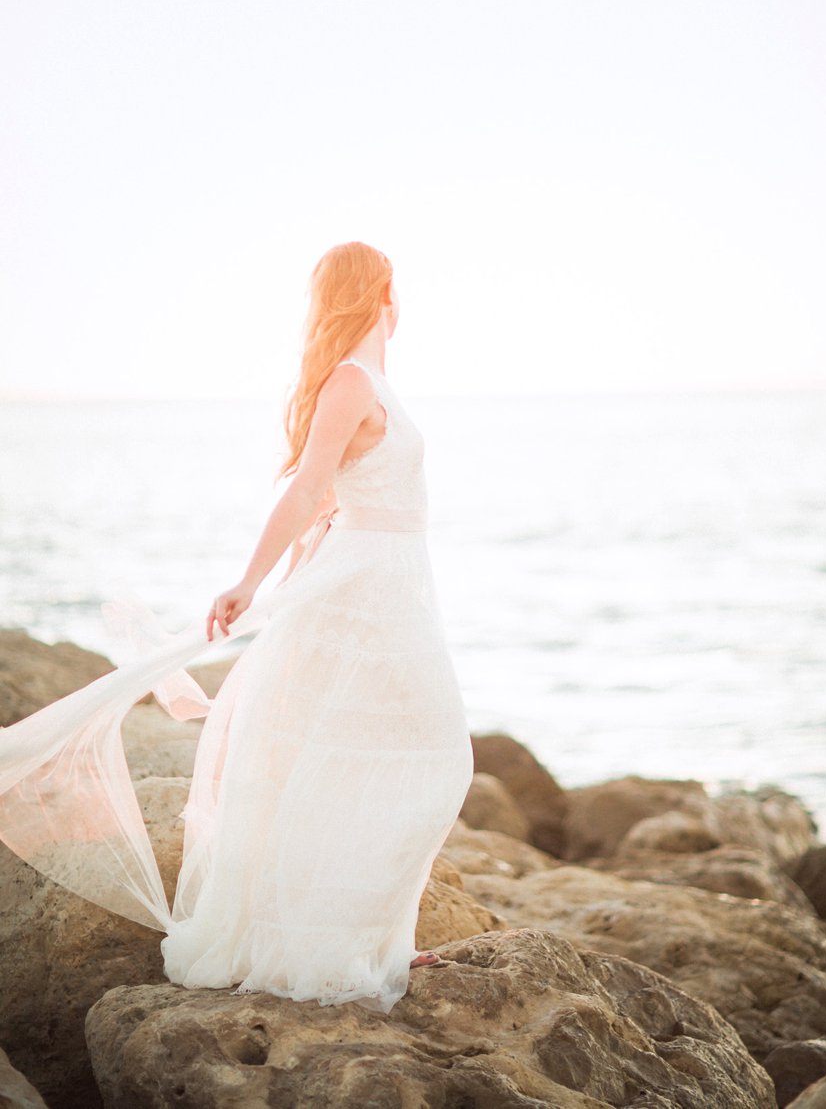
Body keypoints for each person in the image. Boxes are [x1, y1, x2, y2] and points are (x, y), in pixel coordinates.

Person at [0, 240, 474, 1015]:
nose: (402, 300)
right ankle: (331, 943)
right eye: (395, 287)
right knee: (414, 751)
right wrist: (252, 583)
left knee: (407, 751)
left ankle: (372, 938)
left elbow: (335, 498)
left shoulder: (374, 381)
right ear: (380, 293)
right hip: (364, 586)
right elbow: (308, 493)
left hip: (391, 587)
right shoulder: (352, 382)